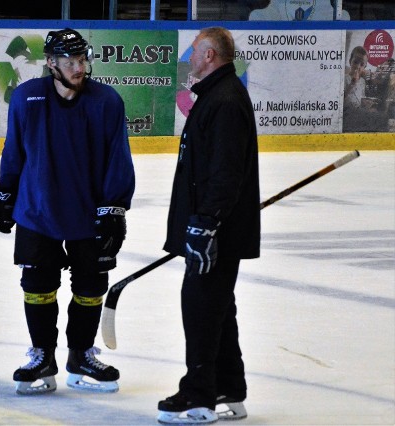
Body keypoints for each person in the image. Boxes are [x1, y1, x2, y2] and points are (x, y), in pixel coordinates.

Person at [0, 28, 135, 395]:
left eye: (82, 60)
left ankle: (81, 354)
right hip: (37, 210)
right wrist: (5, 193)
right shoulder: (26, 98)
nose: (78, 67)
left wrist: (114, 208)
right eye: (70, 61)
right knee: (38, 285)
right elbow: (14, 152)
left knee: (90, 286)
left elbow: (117, 158)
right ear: (51, 63)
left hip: (89, 213)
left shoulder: (107, 101)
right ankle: (42, 354)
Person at [158, 27, 260, 424]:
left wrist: (206, 224)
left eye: (194, 52)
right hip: (212, 228)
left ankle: (198, 396)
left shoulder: (226, 100)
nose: (189, 59)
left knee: (200, 307)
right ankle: (228, 387)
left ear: (211, 55)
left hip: (215, 233)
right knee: (218, 307)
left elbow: (225, 173)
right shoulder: (217, 95)